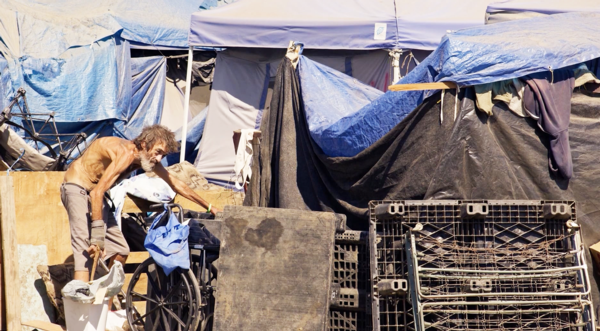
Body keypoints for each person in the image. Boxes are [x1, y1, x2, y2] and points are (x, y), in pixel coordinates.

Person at [61, 125, 219, 282]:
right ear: (144, 144)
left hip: (96, 196)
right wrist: (97, 238)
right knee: (86, 251)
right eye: (158, 152)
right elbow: (97, 193)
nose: (158, 159)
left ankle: (106, 302)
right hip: (77, 187)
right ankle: (79, 301)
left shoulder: (146, 159)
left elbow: (176, 184)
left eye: (163, 155)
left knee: (120, 250)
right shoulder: (126, 153)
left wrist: (210, 207)